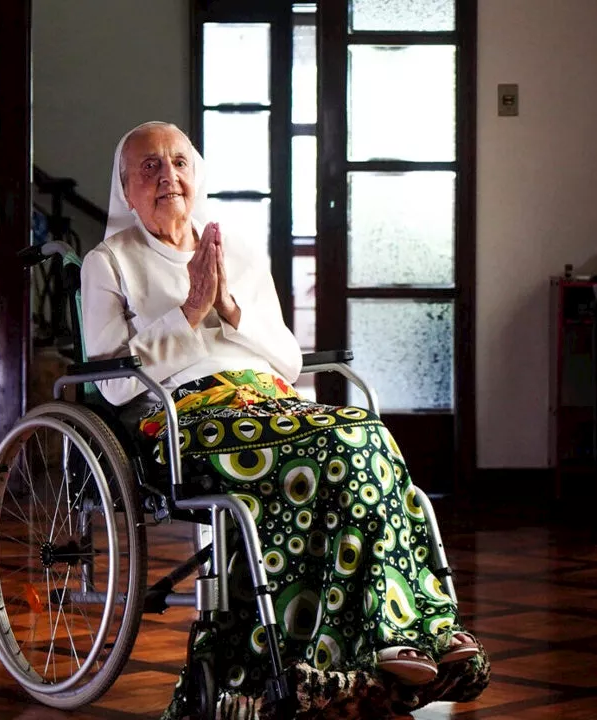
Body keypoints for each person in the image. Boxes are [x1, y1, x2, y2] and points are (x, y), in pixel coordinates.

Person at [80, 121, 488, 718]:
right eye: (149, 167)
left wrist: (230, 308)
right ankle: (385, 632)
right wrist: (190, 312)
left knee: (362, 434)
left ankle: (405, 630)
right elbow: (112, 382)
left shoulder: (236, 249)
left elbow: (289, 357)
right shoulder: (108, 262)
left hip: (270, 403)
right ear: (125, 187)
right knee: (338, 443)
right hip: (187, 416)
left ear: (197, 174)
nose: (168, 175)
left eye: (179, 162)